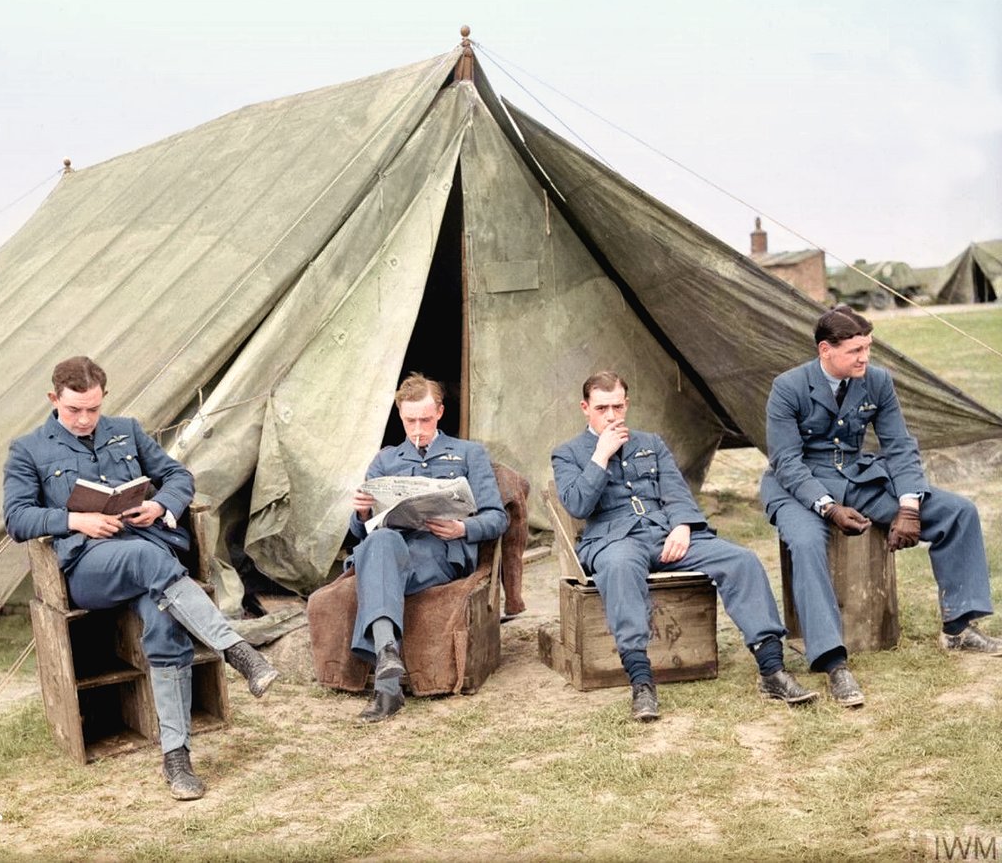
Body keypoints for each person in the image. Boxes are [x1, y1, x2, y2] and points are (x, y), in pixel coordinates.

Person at [3, 356, 279, 800]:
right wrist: (74, 520)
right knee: (149, 559)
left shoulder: (127, 430)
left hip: (151, 565)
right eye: (74, 410)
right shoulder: (29, 449)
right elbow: (17, 518)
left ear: (104, 399)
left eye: (93, 409)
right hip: (89, 569)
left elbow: (178, 476)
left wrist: (159, 505)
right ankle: (237, 651)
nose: (85, 419)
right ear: (54, 399)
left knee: (165, 624)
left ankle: (177, 759)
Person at [761, 305, 1000, 707]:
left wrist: (909, 507)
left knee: (958, 512)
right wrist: (828, 508)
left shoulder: (877, 381)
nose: (865, 357)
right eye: (855, 350)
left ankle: (959, 629)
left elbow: (900, 446)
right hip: (798, 485)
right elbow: (786, 461)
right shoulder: (788, 387)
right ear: (825, 350)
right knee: (805, 542)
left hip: (857, 478)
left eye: (868, 347)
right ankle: (833, 662)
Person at [552, 371, 815, 722]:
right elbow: (578, 505)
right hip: (614, 541)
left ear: (626, 404)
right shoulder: (568, 454)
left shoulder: (651, 443)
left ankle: (772, 670)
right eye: (602, 408)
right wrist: (601, 455)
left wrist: (682, 525)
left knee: (741, 560)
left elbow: (676, 492)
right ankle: (642, 683)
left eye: (617, 406)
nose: (611, 416)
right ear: (585, 408)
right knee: (619, 568)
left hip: (666, 535)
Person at [345, 373, 508, 723]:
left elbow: (498, 518)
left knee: (378, 564)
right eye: (410, 421)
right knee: (379, 540)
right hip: (393, 548)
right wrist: (361, 512)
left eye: (426, 419)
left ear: (440, 413)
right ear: (400, 417)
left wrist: (462, 528)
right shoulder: (386, 460)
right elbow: (359, 533)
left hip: (440, 551)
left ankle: (386, 682)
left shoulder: (469, 453)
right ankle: (388, 658)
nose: (418, 429)